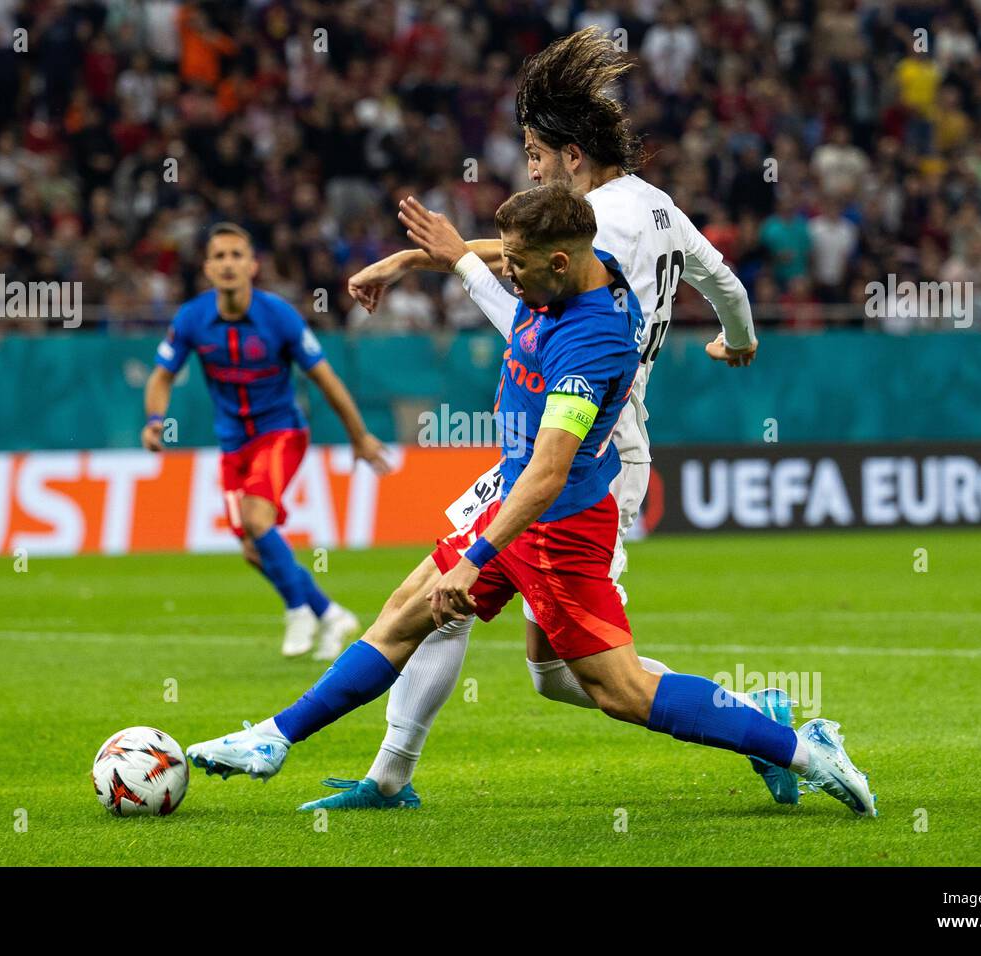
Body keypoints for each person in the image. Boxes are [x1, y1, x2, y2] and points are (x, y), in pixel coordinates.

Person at [185, 184, 877, 819]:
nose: (505, 274)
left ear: (556, 261)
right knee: (410, 613)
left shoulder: (591, 342)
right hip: (516, 504)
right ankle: (276, 740)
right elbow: (502, 261)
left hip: (557, 526)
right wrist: (434, 256)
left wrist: (474, 558)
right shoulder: (580, 264)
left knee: (621, 691)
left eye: (517, 263)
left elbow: (547, 474)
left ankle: (802, 749)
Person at [316, 27, 777, 811]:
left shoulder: (605, 221)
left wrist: (454, 260)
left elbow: (533, 328)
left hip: (590, 440)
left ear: (571, 154)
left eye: (534, 150)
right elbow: (725, 283)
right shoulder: (656, 208)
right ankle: (390, 776)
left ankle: (760, 723)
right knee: (507, 638)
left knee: (562, 662)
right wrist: (739, 341)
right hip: (576, 431)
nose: (527, 164)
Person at [142, 222, 390, 660]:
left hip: (280, 433)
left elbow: (326, 379)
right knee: (254, 550)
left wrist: (359, 436)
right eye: (219, 256)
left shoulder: (279, 317)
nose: (228, 264)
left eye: (237, 255)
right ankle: (330, 614)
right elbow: (161, 375)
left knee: (258, 519)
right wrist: (155, 420)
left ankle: (297, 609)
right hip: (232, 443)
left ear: (253, 265)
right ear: (207, 268)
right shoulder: (192, 319)